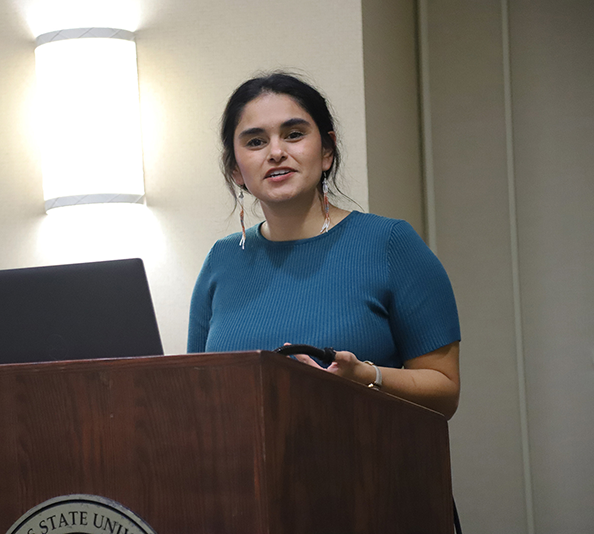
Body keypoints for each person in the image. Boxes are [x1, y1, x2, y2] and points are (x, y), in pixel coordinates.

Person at [187, 72, 461, 419]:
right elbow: (193, 394)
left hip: (365, 467)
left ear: (327, 150)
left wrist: (366, 376)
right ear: (235, 170)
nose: (276, 152)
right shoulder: (220, 260)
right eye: (255, 142)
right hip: (243, 471)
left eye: (294, 135)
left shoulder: (390, 243)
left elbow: (445, 391)